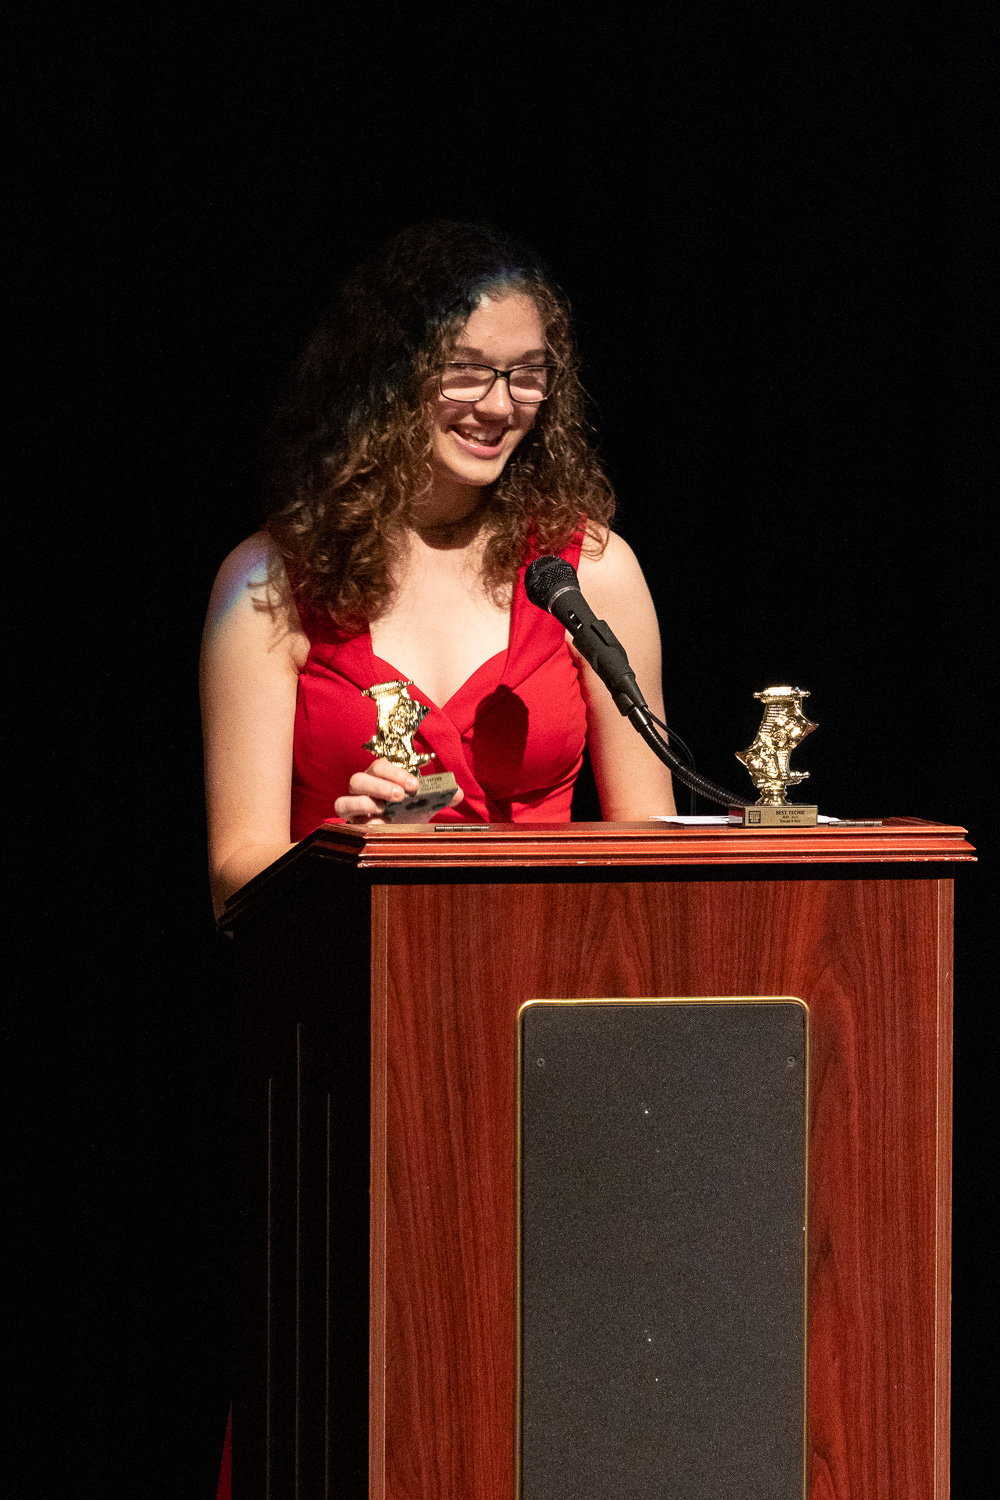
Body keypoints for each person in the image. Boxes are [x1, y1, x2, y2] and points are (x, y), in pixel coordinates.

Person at [201, 219, 674, 918]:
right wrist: (344, 857)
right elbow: (234, 875)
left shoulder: (590, 570)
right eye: (466, 370)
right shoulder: (270, 581)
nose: (499, 404)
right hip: (356, 965)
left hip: (555, 964)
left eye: (527, 375)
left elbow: (654, 842)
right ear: (389, 373)